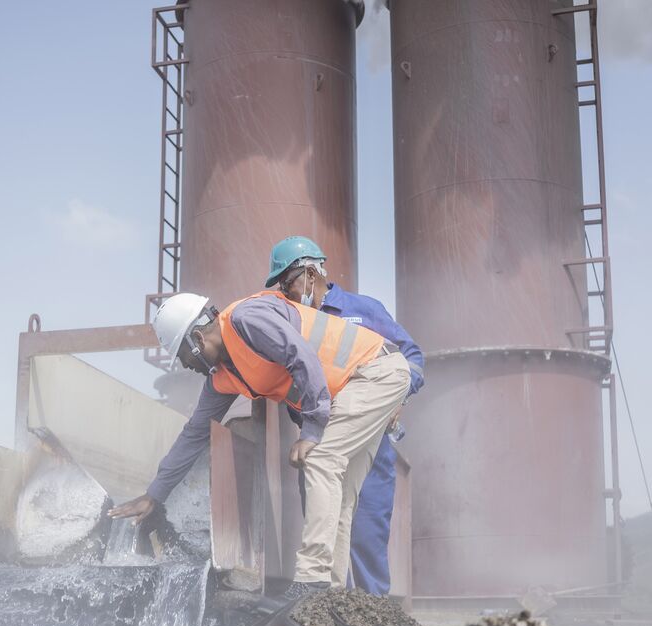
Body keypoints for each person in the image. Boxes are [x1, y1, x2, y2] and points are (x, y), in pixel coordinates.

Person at [109, 289, 410, 602]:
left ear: (197, 340)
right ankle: (330, 596)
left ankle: (311, 578)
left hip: (374, 372)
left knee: (321, 460)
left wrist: (312, 427)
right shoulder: (223, 376)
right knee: (343, 491)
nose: (186, 367)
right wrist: (154, 494)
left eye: (183, 359)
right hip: (359, 384)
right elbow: (194, 433)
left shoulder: (247, 319)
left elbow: (300, 356)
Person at [266, 235, 425, 595]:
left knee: (367, 537)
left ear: (309, 273)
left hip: (368, 440)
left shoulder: (364, 310)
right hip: (319, 439)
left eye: (286, 283)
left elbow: (412, 357)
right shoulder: (290, 321)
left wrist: (398, 397)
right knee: (327, 527)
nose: (285, 293)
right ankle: (332, 623)